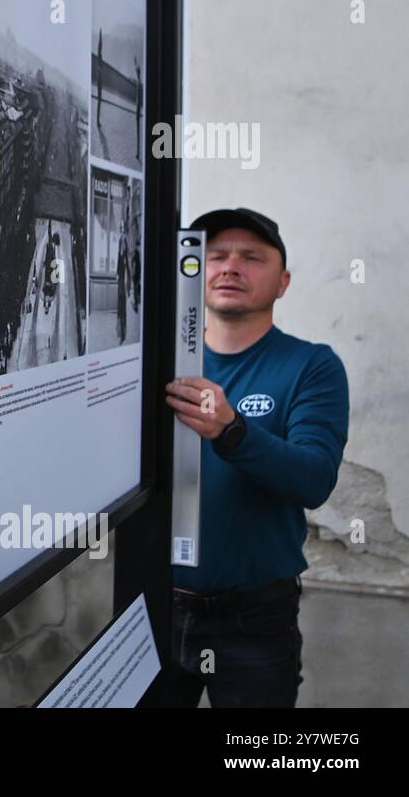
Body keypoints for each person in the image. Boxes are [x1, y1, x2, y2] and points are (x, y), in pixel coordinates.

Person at [161, 209, 349, 707]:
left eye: (251, 257)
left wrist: (232, 429)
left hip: (255, 621)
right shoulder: (163, 364)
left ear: (282, 282)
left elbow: (313, 479)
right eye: (216, 256)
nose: (228, 267)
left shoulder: (313, 365)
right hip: (157, 607)